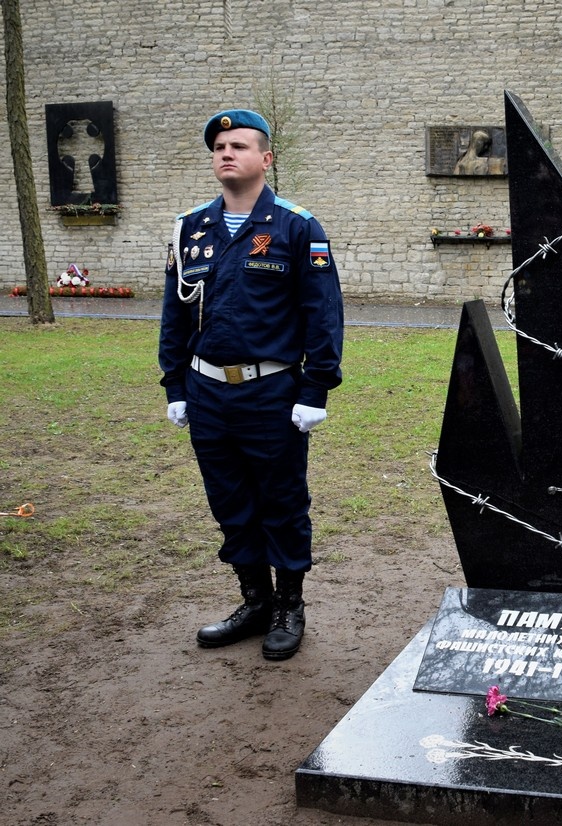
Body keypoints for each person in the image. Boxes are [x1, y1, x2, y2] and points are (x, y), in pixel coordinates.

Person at [158, 109, 344, 661]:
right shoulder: (191, 227)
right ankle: (254, 599)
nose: (225, 153)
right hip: (207, 391)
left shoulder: (295, 226)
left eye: (239, 145)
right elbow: (175, 313)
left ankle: (290, 605)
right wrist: (174, 384)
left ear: (266, 158)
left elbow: (323, 313)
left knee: (281, 501)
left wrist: (316, 390)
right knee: (230, 501)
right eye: (218, 146)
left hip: (271, 393)